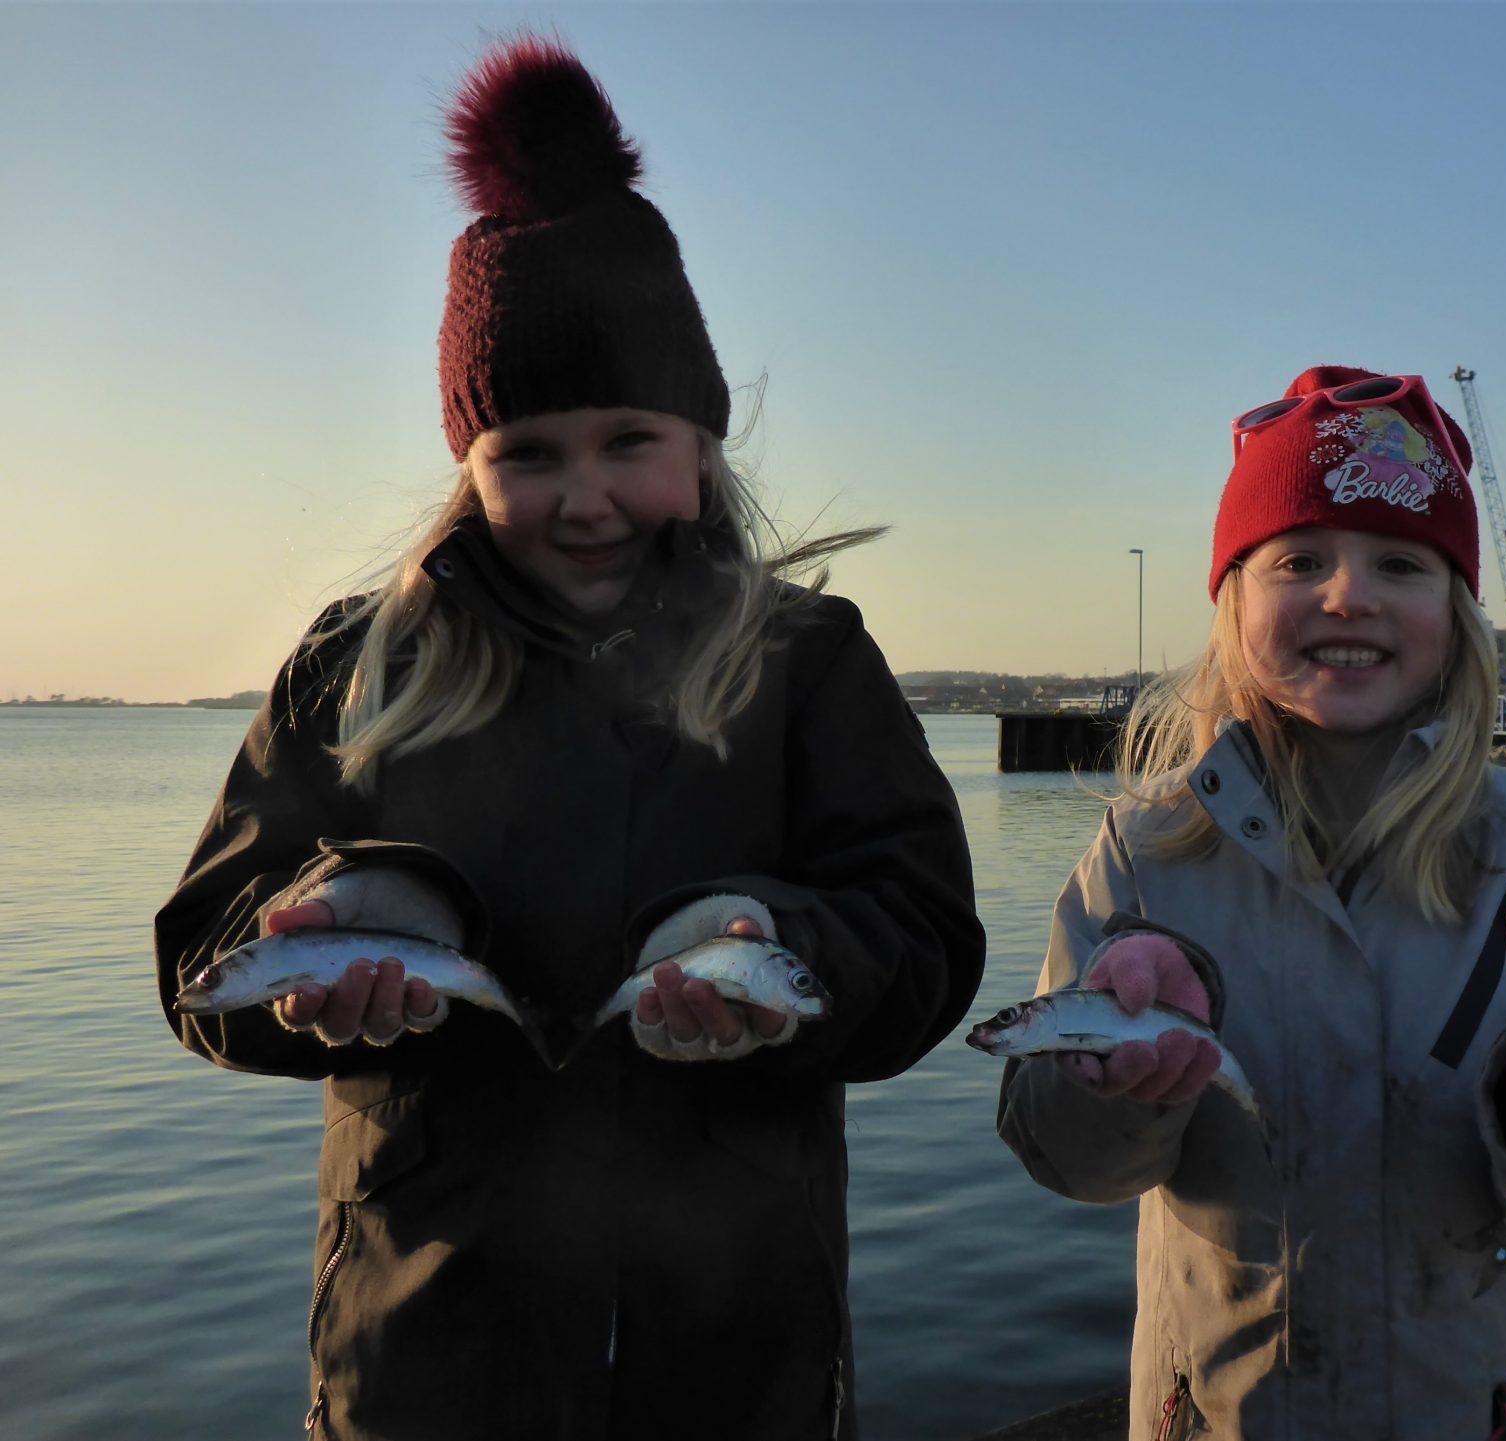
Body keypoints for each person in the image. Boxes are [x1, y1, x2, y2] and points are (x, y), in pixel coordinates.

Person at [155, 38, 983, 1441]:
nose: (583, 494)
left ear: (704, 441)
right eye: (526, 454)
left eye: (627, 440)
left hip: (739, 1361)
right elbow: (199, 957)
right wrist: (350, 912)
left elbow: (921, 944)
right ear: (467, 464)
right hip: (422, 1358)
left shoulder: (806, 659)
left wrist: (764, 942)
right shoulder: (359, 664)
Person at [994, 367, 1506, 1440]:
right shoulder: (1142, 852)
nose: (1347, 594)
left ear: (1457, 617)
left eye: (1400, 563)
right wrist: (1113, 1086)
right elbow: (1070, 1161)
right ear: (1231, 600)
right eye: (1300, 559)